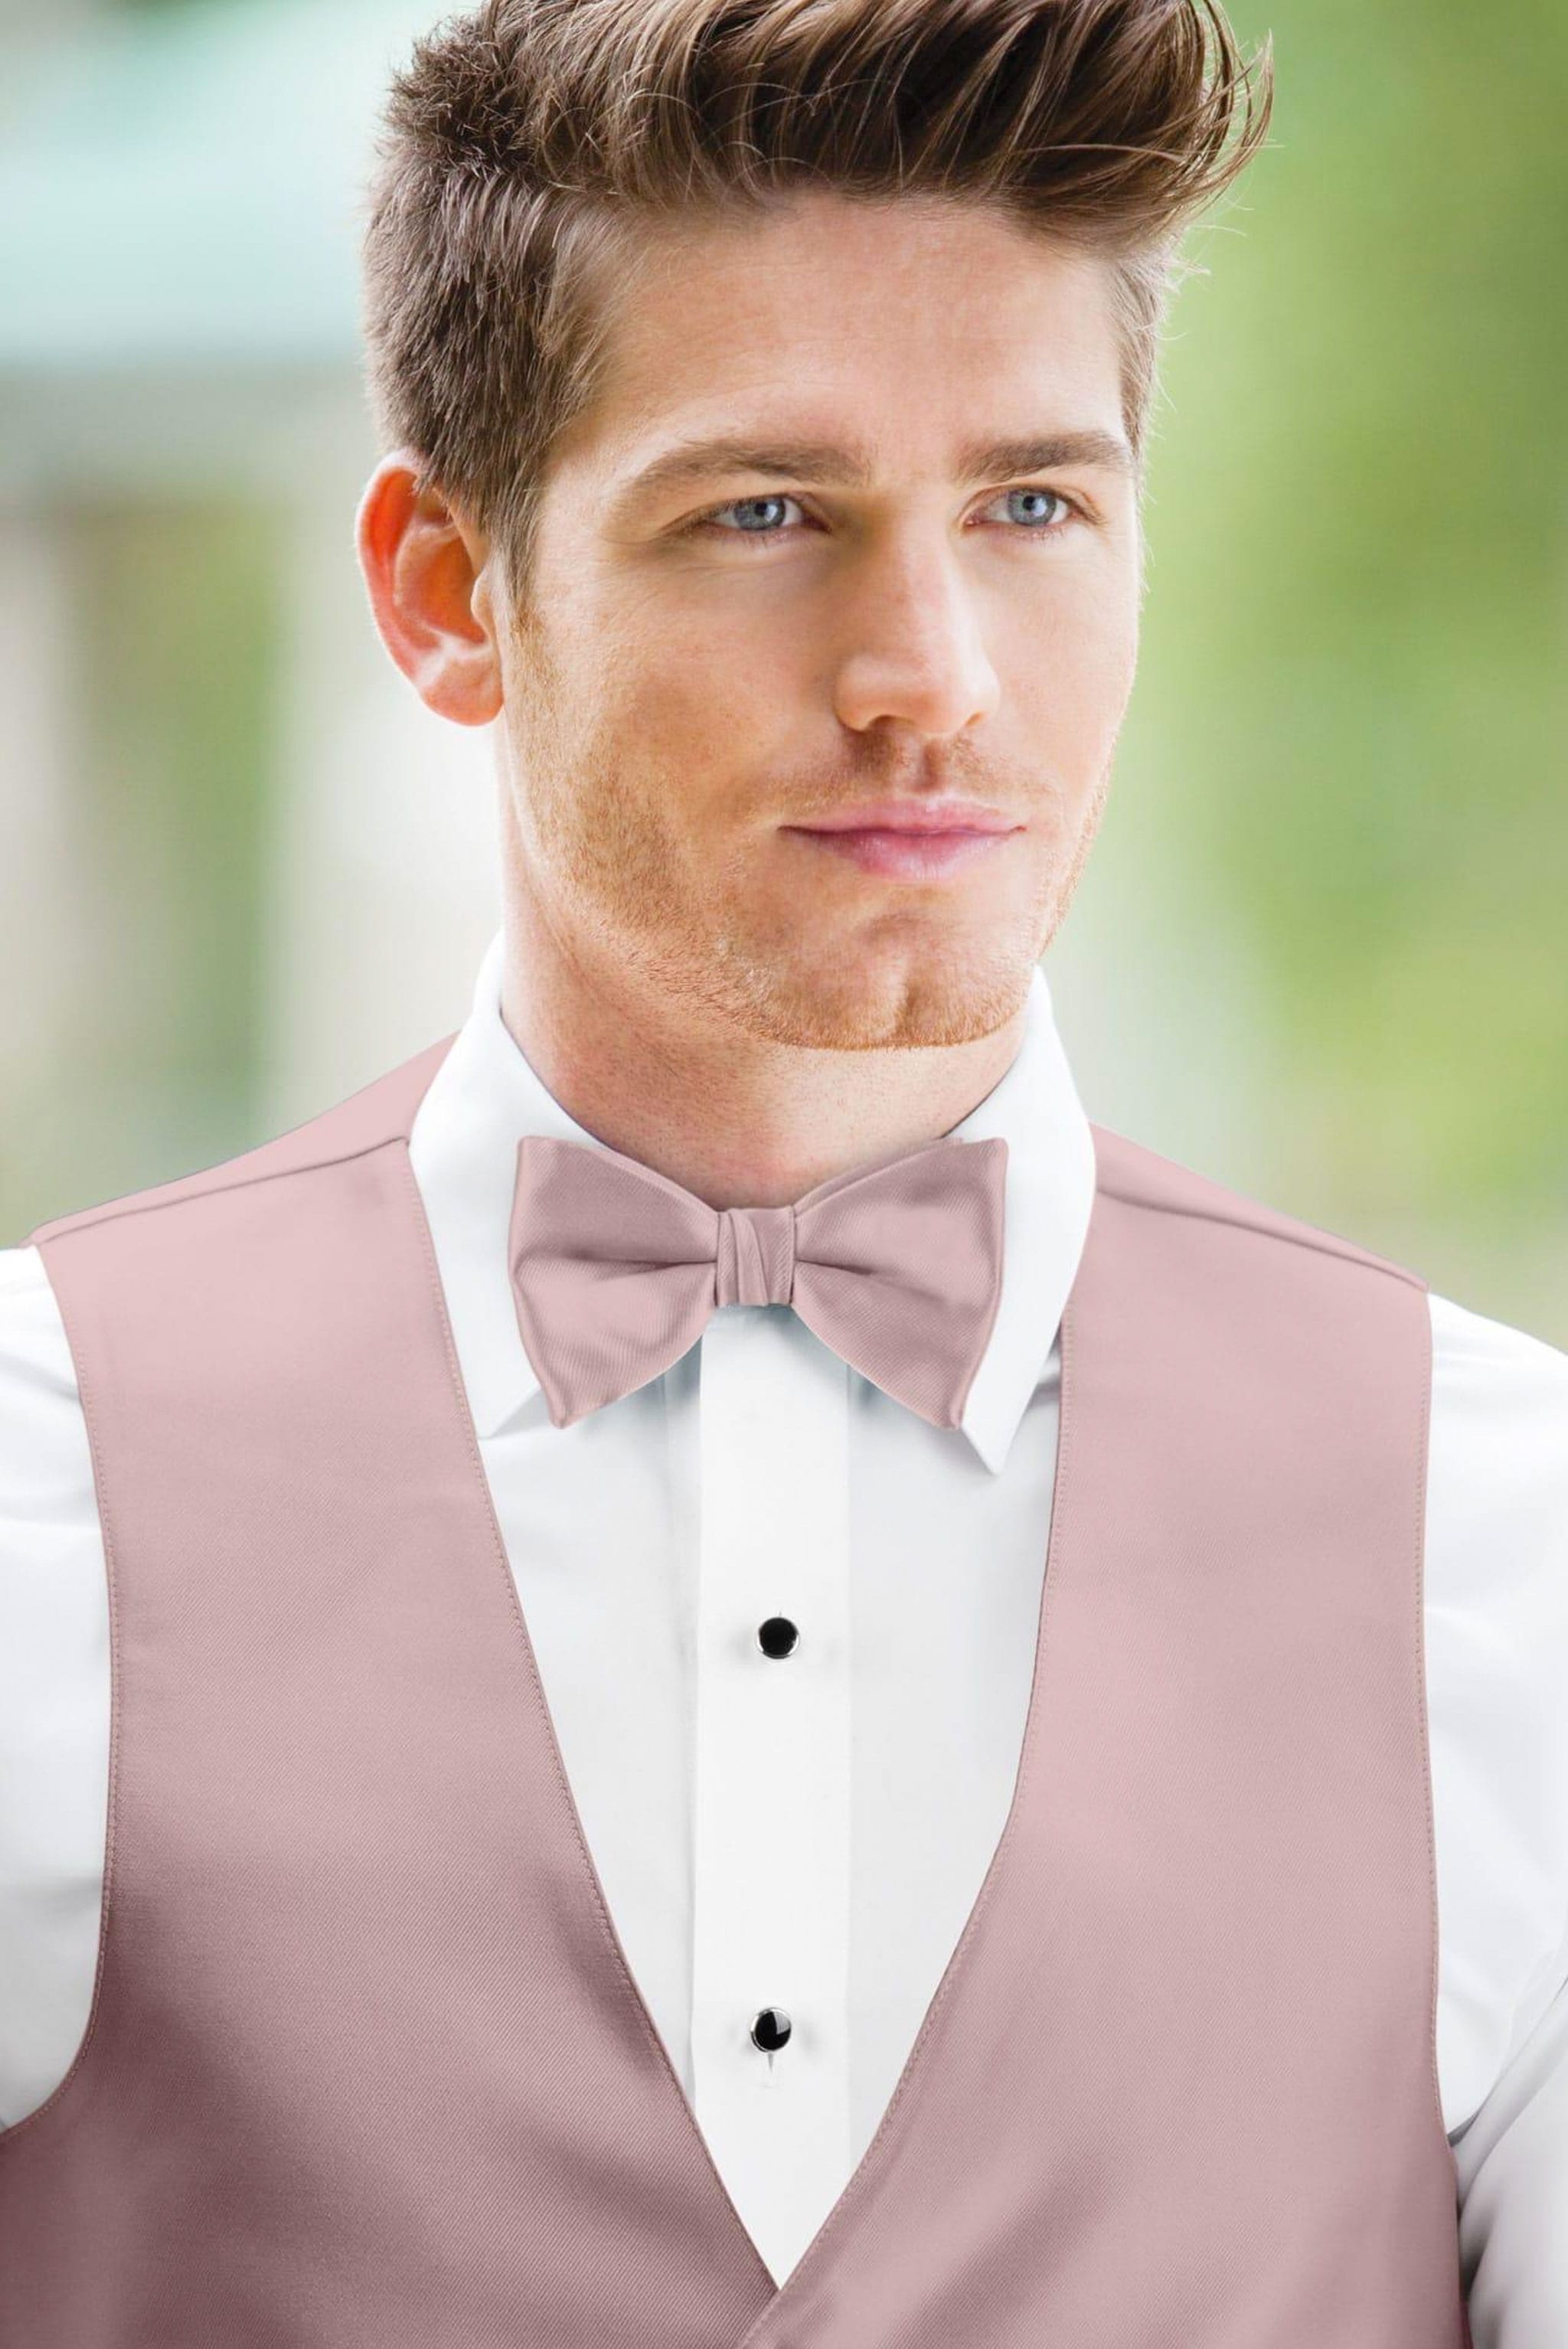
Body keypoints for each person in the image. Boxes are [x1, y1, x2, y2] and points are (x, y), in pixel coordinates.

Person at [0, 0, 1562, 2340]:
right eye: (765, 514)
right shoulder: (35, 1502)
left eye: (1033, 504)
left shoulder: (1508, 1544)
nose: (928, 669)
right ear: (446, 591)